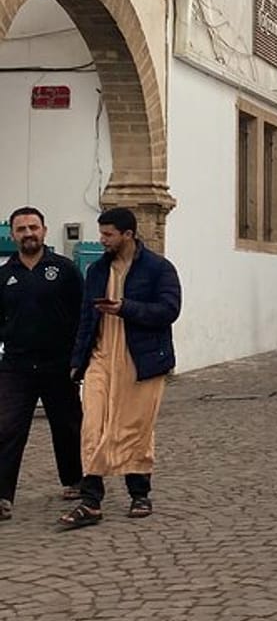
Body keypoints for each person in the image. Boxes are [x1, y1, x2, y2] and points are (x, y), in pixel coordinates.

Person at [58, 208, 181, 529]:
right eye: (102, 234)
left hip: (141, 360)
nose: (103, 240)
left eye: (109, 235)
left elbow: (169, 310)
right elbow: (87, 318)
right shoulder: (98, 270)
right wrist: (76, 361)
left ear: (128, 235)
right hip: (100, 358)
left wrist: (125, 308)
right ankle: (91, 500)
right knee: (92, 427)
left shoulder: (159, 269)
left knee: (132, 428)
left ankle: (139, 493)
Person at [0, 207, 84, 523]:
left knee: (67, 425)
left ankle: (75, 481)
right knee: (7, 428)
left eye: (33, 227)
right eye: (21, 229)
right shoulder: (4, 275)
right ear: (12, 235)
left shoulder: (64, 270)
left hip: (59, 363)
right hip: (16, 365)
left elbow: (83, 315)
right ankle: (2, 496)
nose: (28, 233)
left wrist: (80, 358)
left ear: (45, 231)